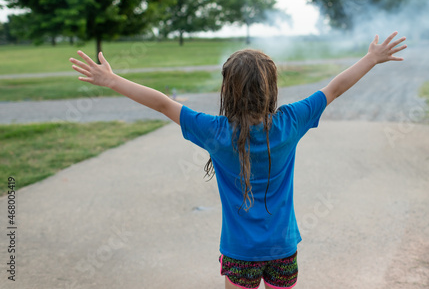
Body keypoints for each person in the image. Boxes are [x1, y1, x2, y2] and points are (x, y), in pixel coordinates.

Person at [69, 31, 407, 289]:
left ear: (228, 90)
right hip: (283, 249)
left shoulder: (215, 131)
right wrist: (371, 59)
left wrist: (112, 80)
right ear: (271, 87)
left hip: (239, 251)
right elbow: (334, 89)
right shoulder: (290, 122)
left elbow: (161, 103)